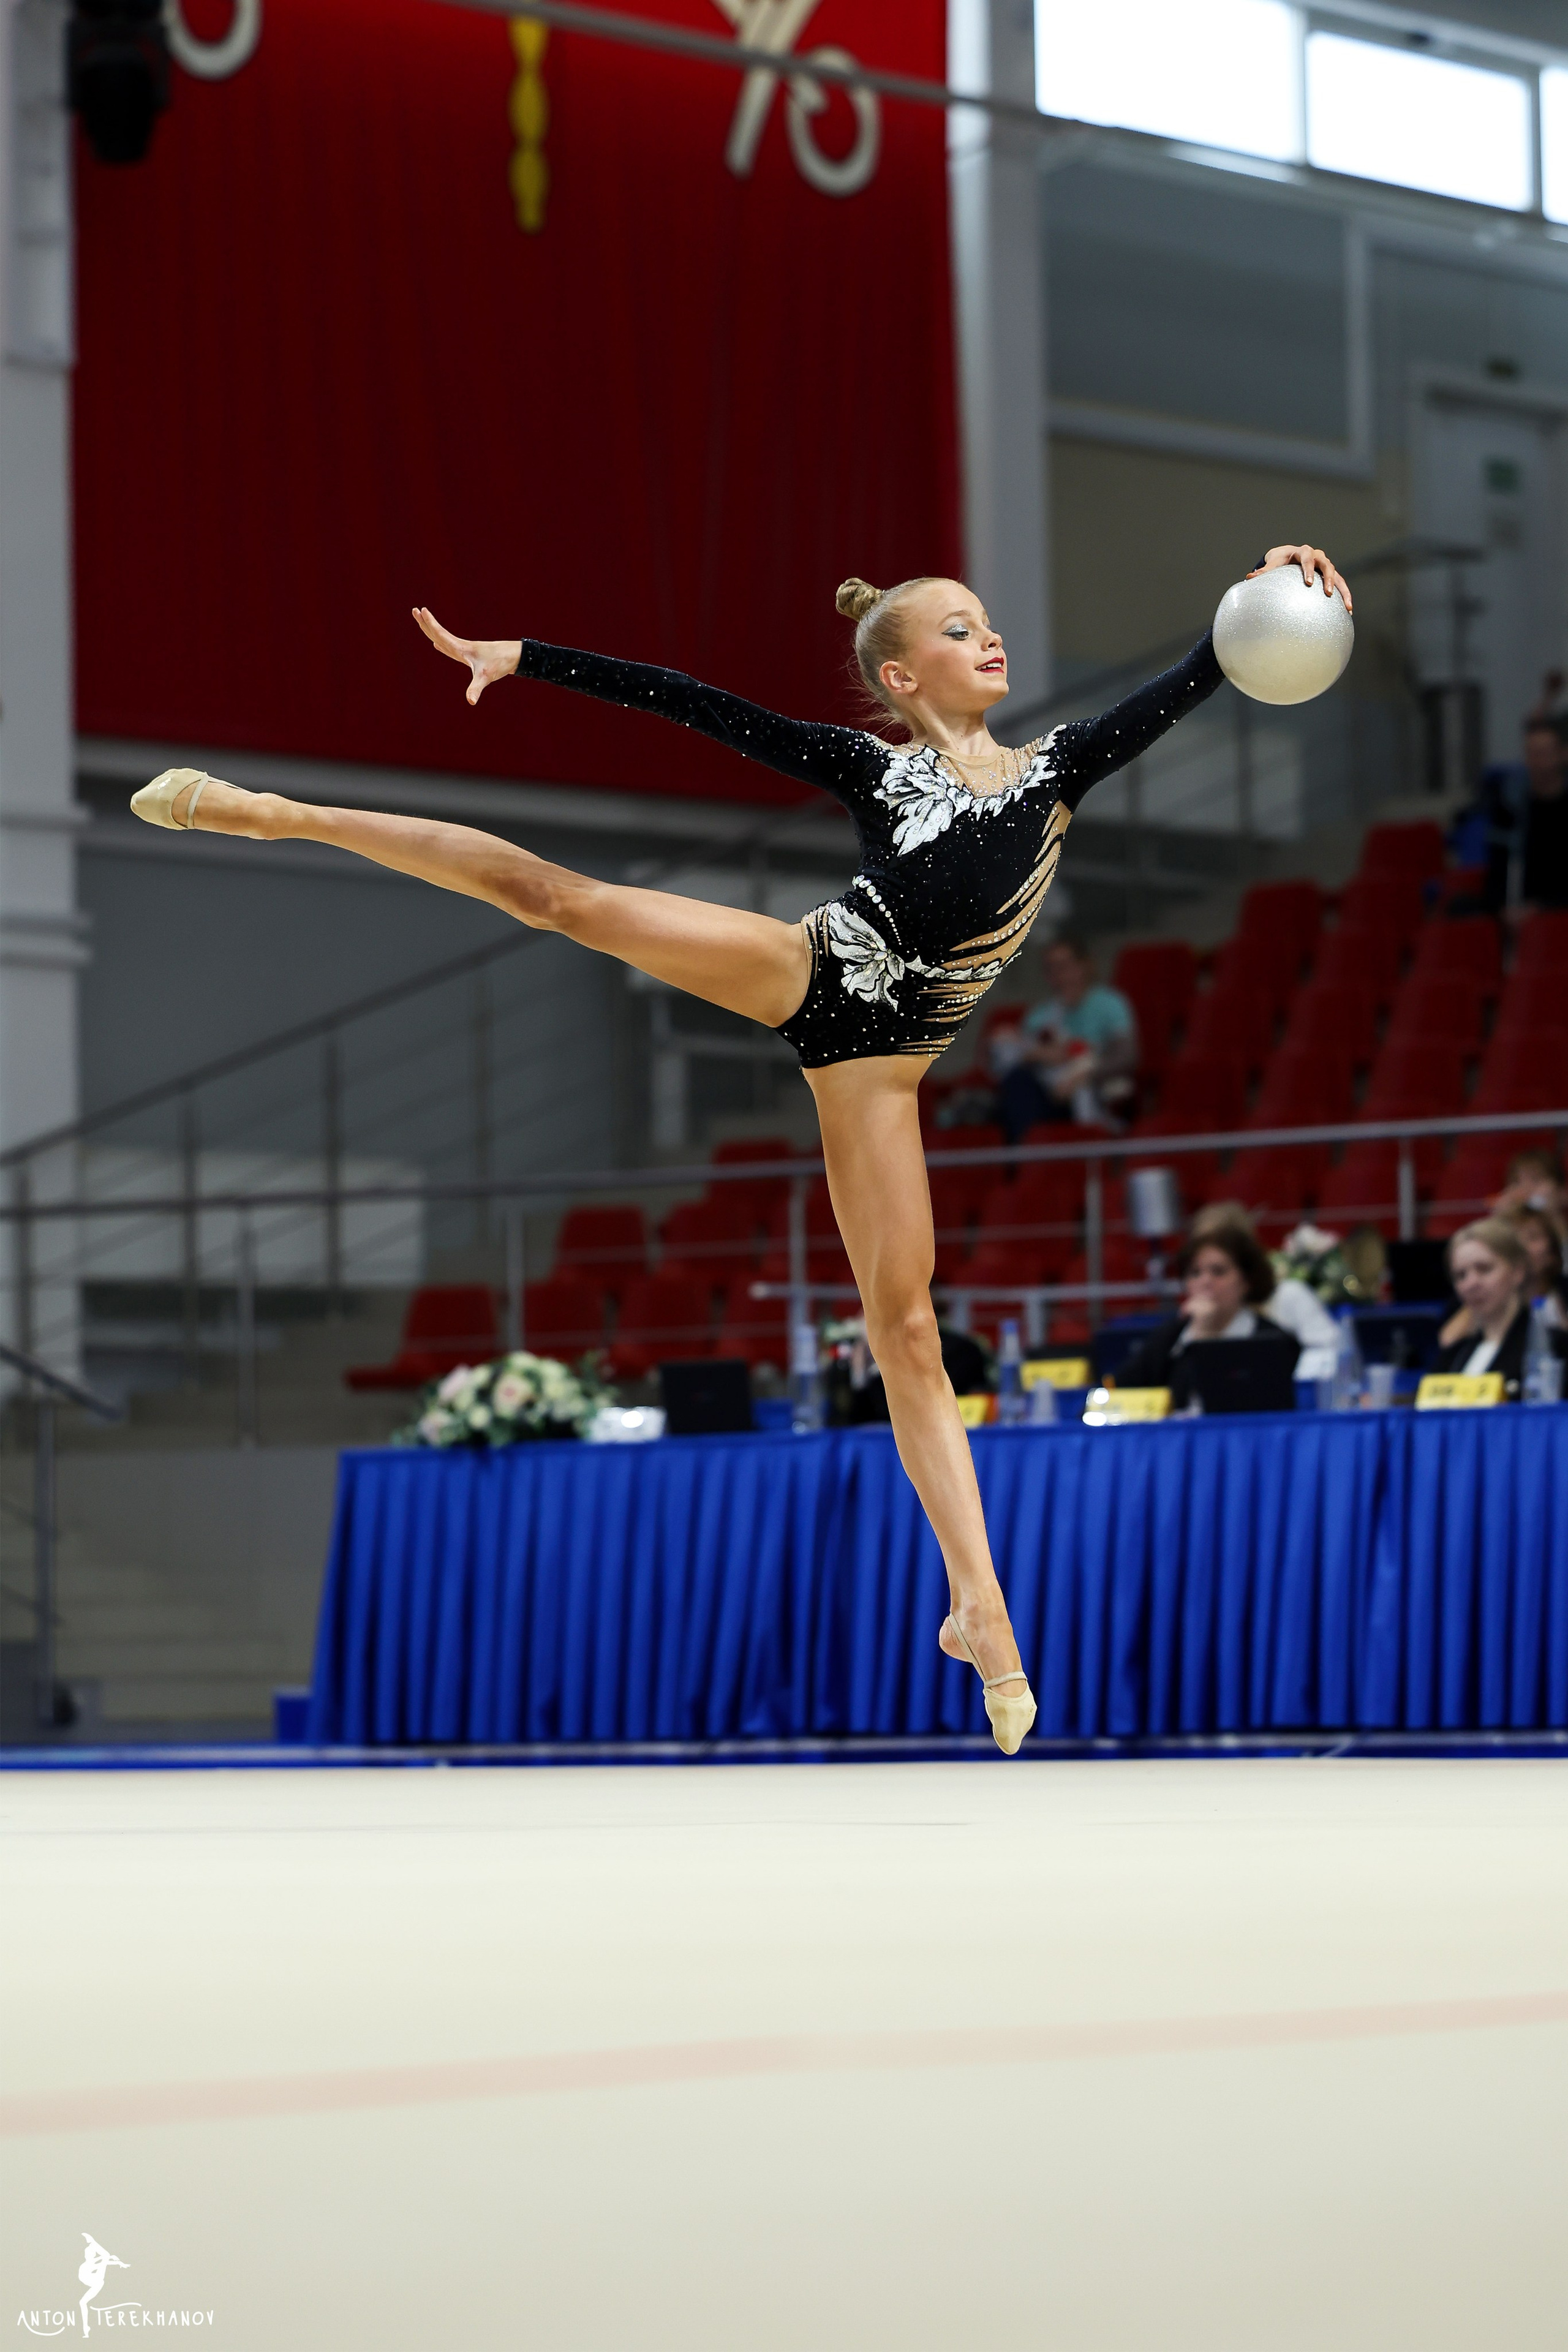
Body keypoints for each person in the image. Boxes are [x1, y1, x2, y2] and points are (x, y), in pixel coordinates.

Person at [127, 541, 1350, 1755]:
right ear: (903, 679)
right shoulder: (870, 770)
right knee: (564, 901)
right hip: (812, 974)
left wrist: (1263, 594)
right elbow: (694, 703)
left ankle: (978, 1606)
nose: (986, 637)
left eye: (984, 621)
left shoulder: (1054, 771)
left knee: (908, 1334)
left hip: (882, 1070)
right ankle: (277, 814)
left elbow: (1203, 669)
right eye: (955, 628)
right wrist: (526, 659)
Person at [1113, 1219, 1297, 1392]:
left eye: (1218, 1271)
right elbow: (1117, 1393)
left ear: (1246, 1282)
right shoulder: (1168, 1337)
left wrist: (1205, 1342)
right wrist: (1198, 1334)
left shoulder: (1274, 1341)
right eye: (1195, 1273)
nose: (1206, 1281)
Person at [990, 933, 1139, 1142]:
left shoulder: (1111, 1004)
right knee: (1018, 1085)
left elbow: (1125, 1056)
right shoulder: (1041, 1015)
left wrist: (1084, 1076)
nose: (1059, 976)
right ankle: (1028, 1164)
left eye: (1065, 966)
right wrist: (1036, 1055)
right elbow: (1023, 1056)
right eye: (1051, 969)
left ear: (1085, 966)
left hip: (1095, 1090)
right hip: (1049, 1093)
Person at [1189, 1199, 1341, 1377]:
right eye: (1198, 1267)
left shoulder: (1289, 1295)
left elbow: (1331, 1356)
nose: (1206, 1278)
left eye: (1218, 1267)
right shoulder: (1193, 1318)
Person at [1428, 1219, 1534, 1394]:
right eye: (1461, 1276)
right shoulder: (1454, 1355)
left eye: (1484, 1269)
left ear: (1518, 1272)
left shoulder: (1552, 1348)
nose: (1471, 1284)